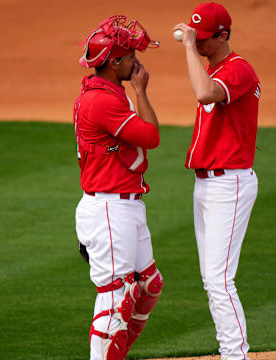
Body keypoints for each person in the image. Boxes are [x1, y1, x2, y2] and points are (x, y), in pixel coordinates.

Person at [174, 3, 260, 360]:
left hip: (231, 184)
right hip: (206, 184)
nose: (200, 44)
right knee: (212, 280)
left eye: (206, 39)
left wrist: (189, 47)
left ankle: (235, 355)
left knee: (221, 279)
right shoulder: (213, 68)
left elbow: (205, 92)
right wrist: (195, 48)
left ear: (223, 36)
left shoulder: (239, 70)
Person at [73, 15, 163, 360]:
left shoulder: (105, 91)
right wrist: (141, 90)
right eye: (129, 56)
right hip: (110, 209)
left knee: (147, 286)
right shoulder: (103, 101)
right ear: (114, 63)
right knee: (115, 298)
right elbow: (151, 136)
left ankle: (117, 353)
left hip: (124, 205)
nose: (136, 61)